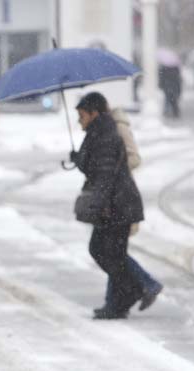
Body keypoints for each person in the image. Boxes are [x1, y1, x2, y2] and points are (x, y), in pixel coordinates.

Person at [69, 92, 162, 319]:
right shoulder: (97, 132)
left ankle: (138, 289)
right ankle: (121, 302)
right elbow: (94, 165)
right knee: (111, 253)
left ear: (94, 113)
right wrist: (77, 158)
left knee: (107, 252)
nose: (80, 121)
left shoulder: (106, 134)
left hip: (117, 205)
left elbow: (104, 174)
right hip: (115, 204)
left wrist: (100, 205)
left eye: (82, 116)